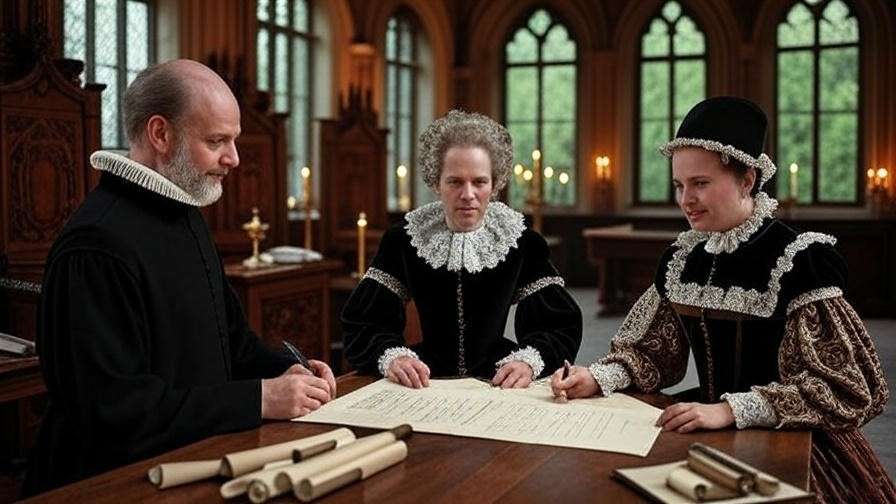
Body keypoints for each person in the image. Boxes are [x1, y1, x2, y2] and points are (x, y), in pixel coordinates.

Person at [551, 96, 895, 502]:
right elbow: (652, 353)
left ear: (747, 179)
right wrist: (598, 377)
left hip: (789, 439)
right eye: (679, 185)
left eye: (700, 184)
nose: (686, 200)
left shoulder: (799, 261)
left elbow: (852, 389)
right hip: (704, 424)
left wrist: (733, 409)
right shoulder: (684, 260)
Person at [23, 60, 336, 496]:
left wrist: (290, 371)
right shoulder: (95, 244)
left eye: (233, 140)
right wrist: (262, 398)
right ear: (161, 134)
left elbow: (232, 342)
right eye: (216, 141)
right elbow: (114, 411)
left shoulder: (185, 213)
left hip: (192, 463)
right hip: (107, 484)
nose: (234, 158)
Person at [343, 110, 581, 389]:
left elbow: (560, 324)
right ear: (436, 183)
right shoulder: (405, 240)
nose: (468, 194)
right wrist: (393, 358)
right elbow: (363, 321)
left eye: (479, 182)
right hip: (423, 382)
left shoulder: (521, 242)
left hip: (499, 382)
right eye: (455, 181)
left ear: (495, 185)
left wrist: (528, 362)